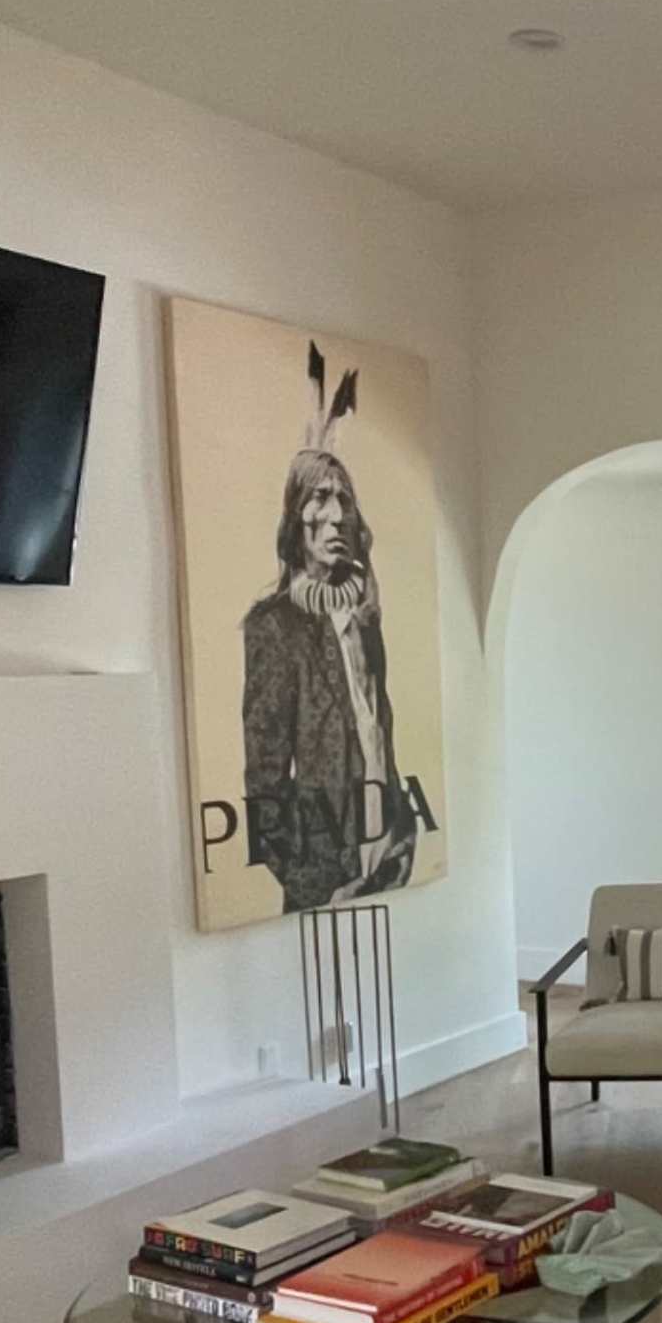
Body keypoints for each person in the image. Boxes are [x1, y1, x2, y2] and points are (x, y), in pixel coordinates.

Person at [240, 345, 429, 909]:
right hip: (325, 876)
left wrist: (399, 832)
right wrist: (304, 874)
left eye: (344, 499)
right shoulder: (274, 627)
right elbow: (265, 773)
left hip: (384, 853)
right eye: (322, 497)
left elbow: (377, 730)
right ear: (297, 515)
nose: (338, 514)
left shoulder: (364, 616)